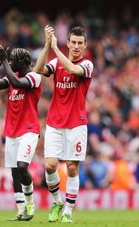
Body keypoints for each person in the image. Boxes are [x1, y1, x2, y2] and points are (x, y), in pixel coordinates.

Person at [34, 25, 93, 223]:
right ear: (68, 42)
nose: (76, 46)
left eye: (79, 43)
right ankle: (57, 201)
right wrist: (46, 46)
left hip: (76, 124)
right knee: (50, 165)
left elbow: (72, 69)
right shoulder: (56, 62)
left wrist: (56, 49)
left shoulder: (87, 65)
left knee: (72, 168)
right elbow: (38, 70)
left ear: (85, 46)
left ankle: (68, 211)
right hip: (54, 122)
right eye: (73, 42)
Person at [0, 45, 42, 221]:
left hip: (28, 130)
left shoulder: (34, 77)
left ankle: (30, 205)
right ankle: (20, 211)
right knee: (14, 172)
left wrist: (4, 61)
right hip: (11, 131)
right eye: (9, 59)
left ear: (21, 62)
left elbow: (18, 83)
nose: (10, 62)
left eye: (12, 60)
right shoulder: (13, 77)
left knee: (22, 167)